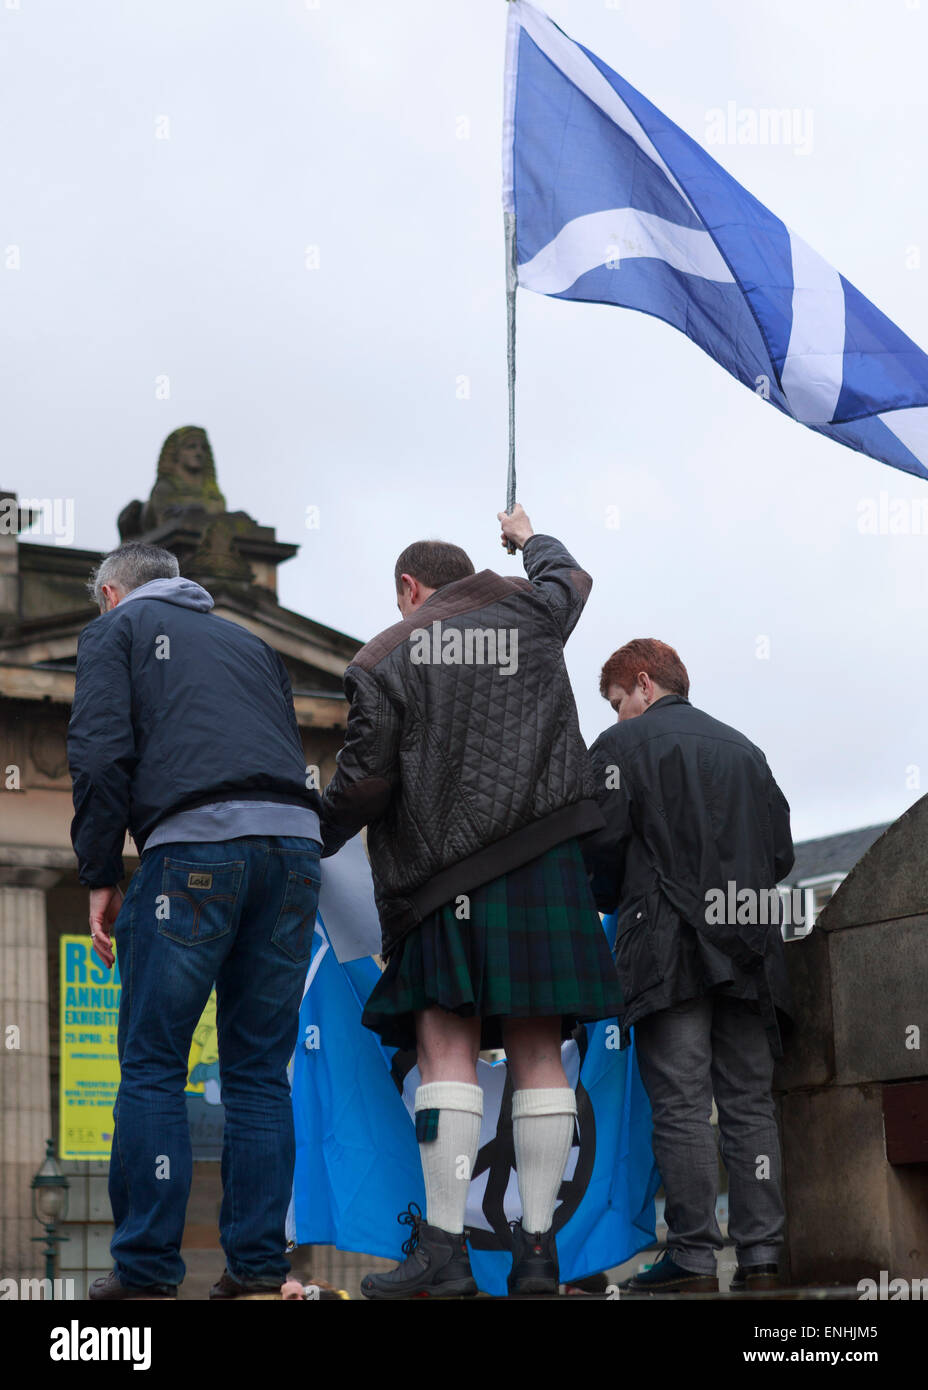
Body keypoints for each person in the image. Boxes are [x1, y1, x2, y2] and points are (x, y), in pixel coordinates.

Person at [318, 504, 622, 1298]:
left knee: (444, 1048)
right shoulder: (532, 607)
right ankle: (538, 1254)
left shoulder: (383, 658)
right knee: (537, 1049)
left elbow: (367, 782)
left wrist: (311, 834)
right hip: (548, 856)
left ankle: (447, 1253)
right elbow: (571, 578)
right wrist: (528, 538)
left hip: (445, 878)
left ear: (410, 587)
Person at [67, 542, 323, 1301]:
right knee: (257, 1074)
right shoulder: (252, 644)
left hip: (193, 852)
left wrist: (100, 876)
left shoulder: (114, 633)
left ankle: (145, 1274)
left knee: (152, 1064)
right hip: (293, 857)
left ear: (113, 594)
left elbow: (99, 755)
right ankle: (256, 1272)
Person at [583, 638, 795, 1294]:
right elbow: (781, 855)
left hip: (666, 946)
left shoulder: (620, 748)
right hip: (750, 952)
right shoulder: (747, 751)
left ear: (642, 685)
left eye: (618, 702)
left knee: (679, 1105)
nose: (618, 714)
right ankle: (763, 1257)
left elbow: (601, 853)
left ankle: (696, 1259)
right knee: (749, 1102)